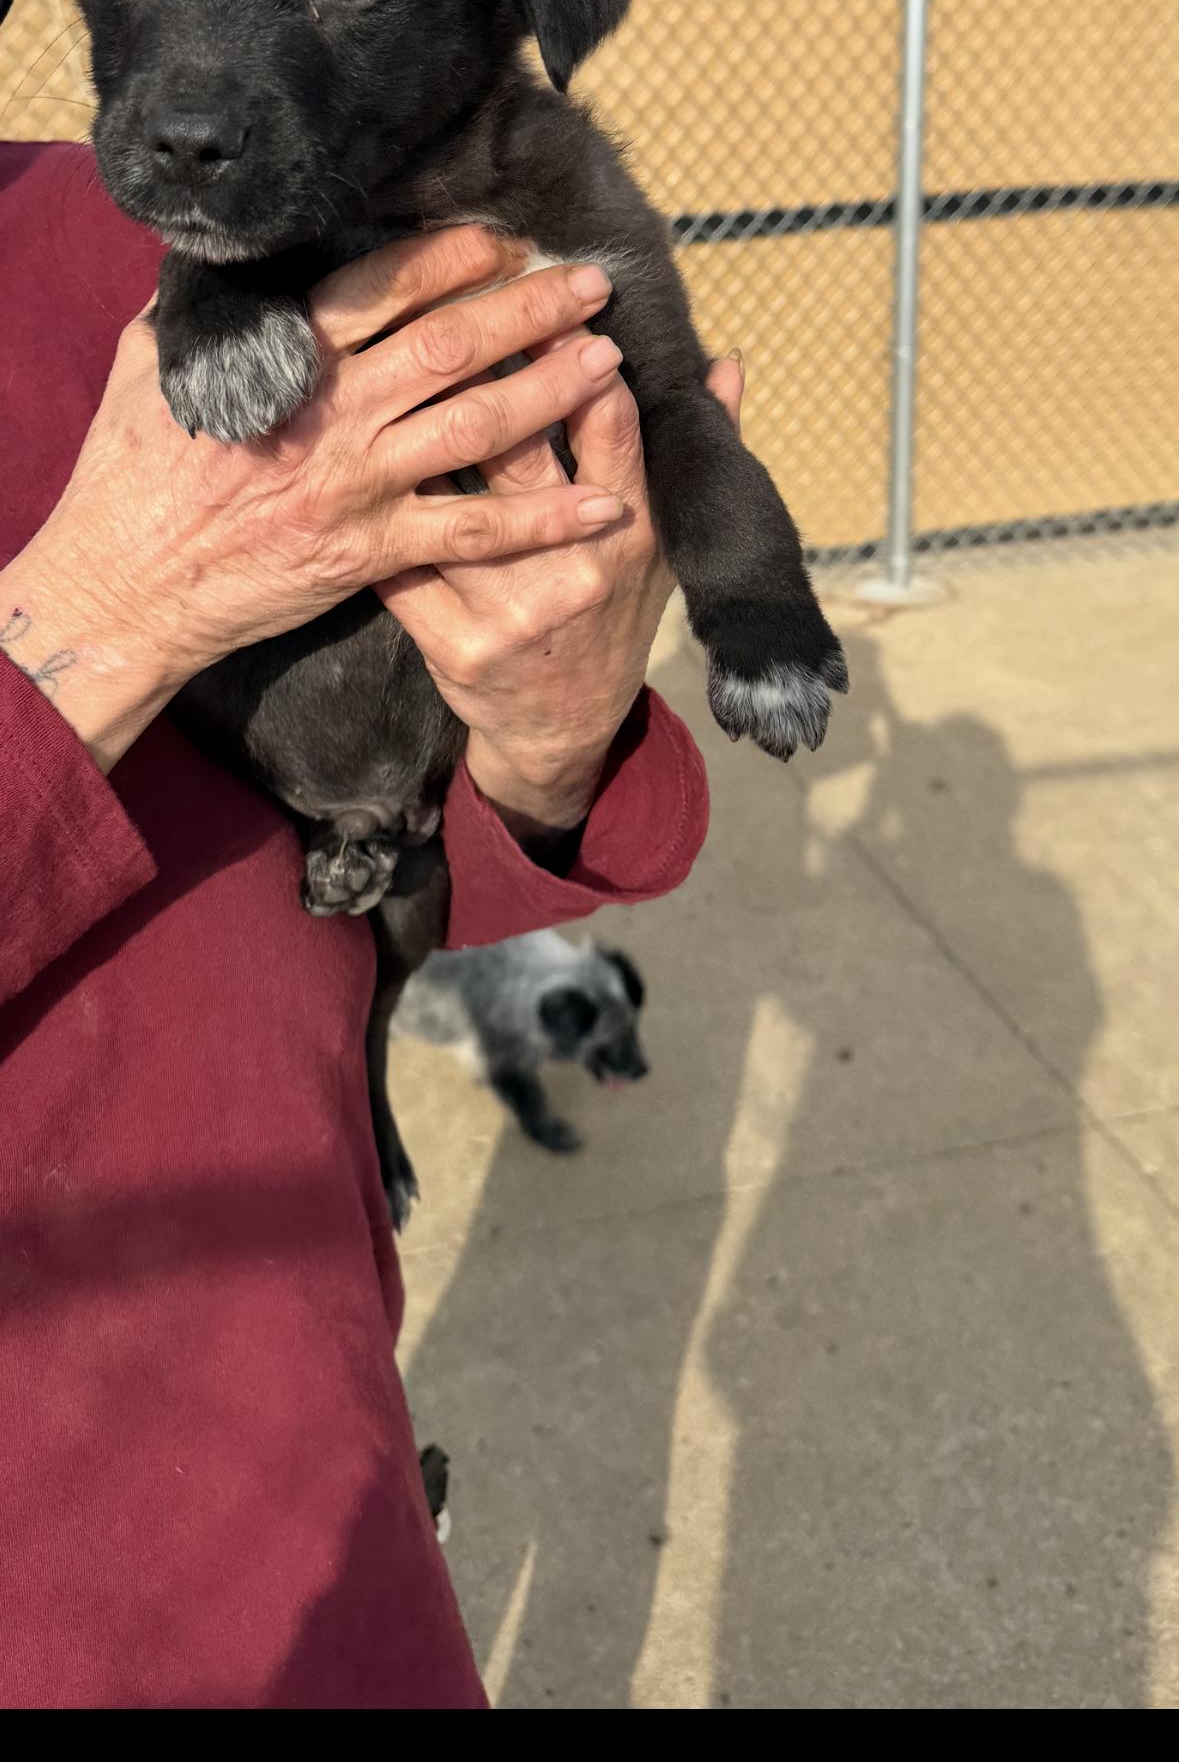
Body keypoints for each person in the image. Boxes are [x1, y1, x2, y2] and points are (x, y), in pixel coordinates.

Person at [0, 138, 733, 1709]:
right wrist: (108, 619)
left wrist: (547, 739)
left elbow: (407, 813)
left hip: (318, 1479)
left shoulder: (170, 208)